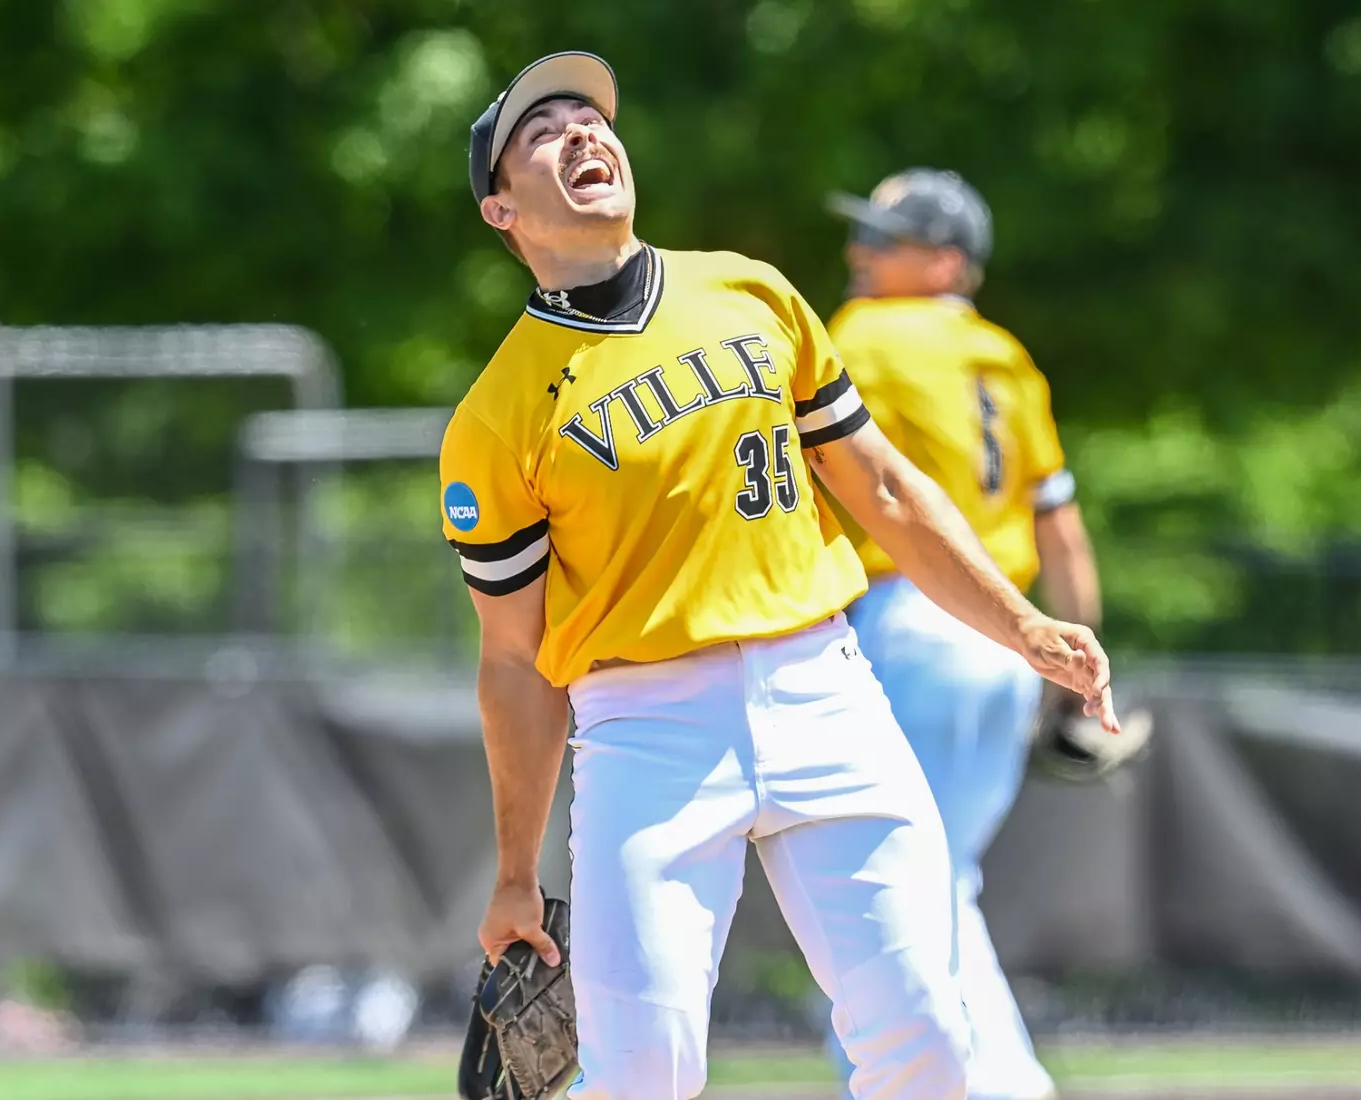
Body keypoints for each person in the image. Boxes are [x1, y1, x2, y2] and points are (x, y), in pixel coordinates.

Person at [442, 52, 1117, 1100]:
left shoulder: (747, 289)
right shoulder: (498, 414)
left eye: (592, 118)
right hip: (645, 725)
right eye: (543, 132)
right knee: (643, 1072)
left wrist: (1022, 623)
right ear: (499, 209)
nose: (582, 134)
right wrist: (515, 872)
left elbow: (884, 490)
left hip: (825, 687)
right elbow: (514, 660)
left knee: (929, 1040)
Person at [818, 168, 1105, 1100]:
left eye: (884, 238)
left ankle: (957, 1084)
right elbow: (1058, 524)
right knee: (939, 879)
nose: (860, 250)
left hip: (912, 618)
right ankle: (986, 1082)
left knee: (885, 885)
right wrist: (1075, 668)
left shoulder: (862, 332)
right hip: (1008, 638)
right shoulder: (1007, 357)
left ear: (946, 260)